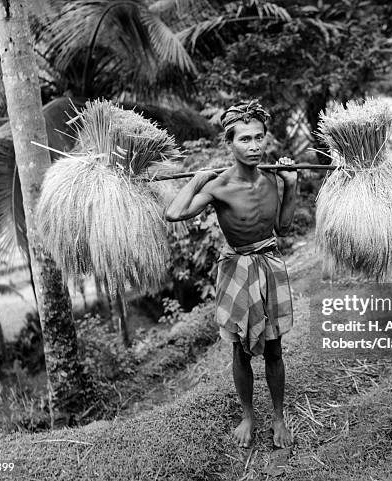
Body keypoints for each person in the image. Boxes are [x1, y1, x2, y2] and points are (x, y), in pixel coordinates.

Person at [165, 100, 297, 449]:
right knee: (239, 348)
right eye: (244, 140)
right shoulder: (219, 186)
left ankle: (279, 417)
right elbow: (174, 213)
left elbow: (283, 226)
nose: (253, 146)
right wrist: (195, 182)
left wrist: (292, 184)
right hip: (238, 267)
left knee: (274, 347)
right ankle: (248, 415)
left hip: (268, 264)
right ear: (230, 143)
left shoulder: (271, 179)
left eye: (258, 138)